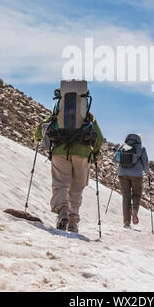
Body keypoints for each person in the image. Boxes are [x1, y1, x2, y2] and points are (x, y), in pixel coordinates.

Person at [34, 88, 103, 234]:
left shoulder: (58, 113)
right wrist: (96, 154)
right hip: (82, 154)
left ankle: (62, 211)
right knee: (77, 187)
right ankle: (73, 221)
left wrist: (36, 139)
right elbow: (99, 138)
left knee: (60, 184)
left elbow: (41, 129)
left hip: (60, 151)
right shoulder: (88, 115)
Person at [113, 134, 149, 228]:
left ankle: (126, 221)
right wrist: (148, 173)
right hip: (137, 175)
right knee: (136, 195)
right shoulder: (141, 148)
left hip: (122, 174)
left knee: (126, 196)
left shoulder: (123, 146)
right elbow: (145, 162)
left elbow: (115, 159)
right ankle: (135, 210)